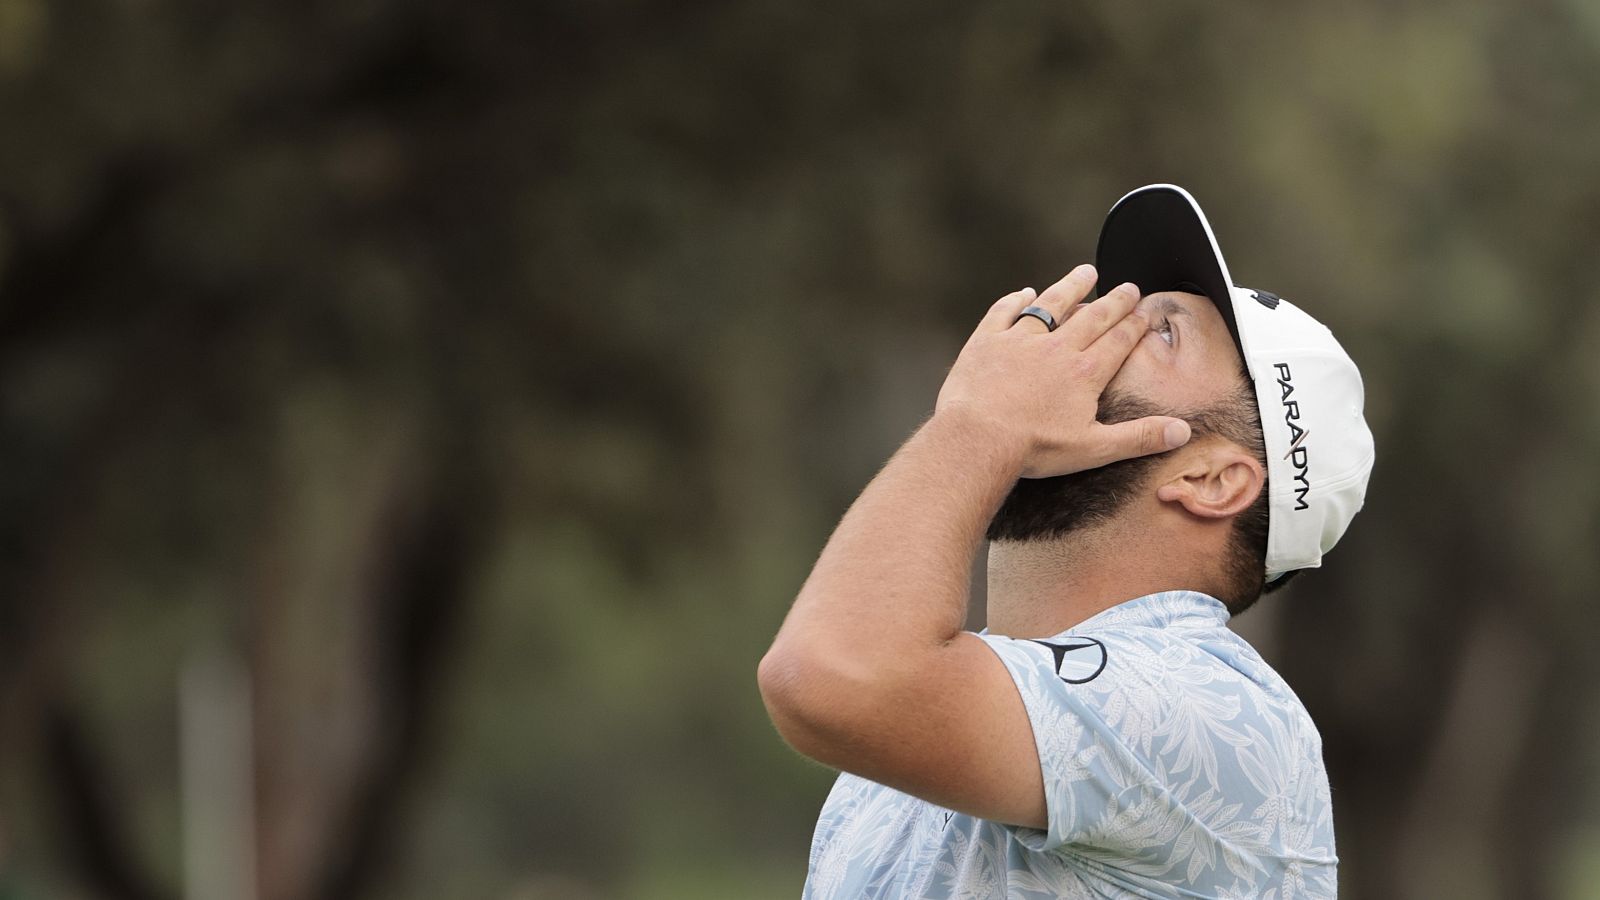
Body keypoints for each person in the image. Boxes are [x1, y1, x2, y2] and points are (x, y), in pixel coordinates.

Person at [757, 184, 1375, 899]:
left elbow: (826, 679)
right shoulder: (923, 736)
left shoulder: (1212, 707)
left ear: (1211, 479)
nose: (1082, 331)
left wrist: (979, 425)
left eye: (1160, 331)